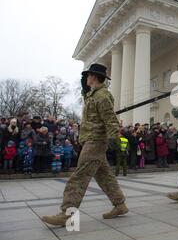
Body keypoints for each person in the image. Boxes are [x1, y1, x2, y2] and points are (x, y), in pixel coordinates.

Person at [41, 63, 128, 226]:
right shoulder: (93, 95)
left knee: (79, 176)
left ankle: (66, 213)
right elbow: (93, 110)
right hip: (91, 139)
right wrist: (84, 91)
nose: (85, 78)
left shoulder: (102, 96)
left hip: (95, 141)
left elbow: (110, 119)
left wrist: (115, 138)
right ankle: (120, 204)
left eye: (88, 76)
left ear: (94, 77)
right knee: (104, 176)